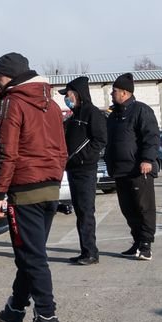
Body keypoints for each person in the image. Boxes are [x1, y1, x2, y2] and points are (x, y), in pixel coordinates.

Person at [0, 53, 67, 322]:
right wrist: (56, 175)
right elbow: (62, 147)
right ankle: (15, 310)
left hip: (25, 189)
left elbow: (7, 152)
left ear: (9, 76)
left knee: (33, 257)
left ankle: (47, 317)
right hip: (50, 186)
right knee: (29, 253)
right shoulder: (52, 103)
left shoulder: (13, 102)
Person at [104, 72, 161, 262]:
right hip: (120, 171)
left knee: (143, 208)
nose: (112, 94)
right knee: (128, 209)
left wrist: (147, 159)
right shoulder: (114, 116)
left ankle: (146, 245)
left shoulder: (141, 111)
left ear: (125, 93)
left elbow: (151, 137)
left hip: (138, 169)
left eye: (114, 91)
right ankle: (137, 241)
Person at [60, 76, 107, 265]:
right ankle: (85, 250)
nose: (66, 98)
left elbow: (100, 140)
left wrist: (81, 157)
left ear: (77, 94)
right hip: (72, 170)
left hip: (85, 170)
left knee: (86, 211)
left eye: (68, 94)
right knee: (79, 211)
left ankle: (91, 253)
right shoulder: (74, 115)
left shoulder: (92, 114)